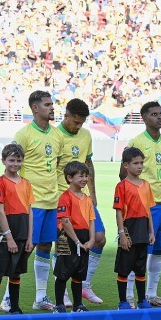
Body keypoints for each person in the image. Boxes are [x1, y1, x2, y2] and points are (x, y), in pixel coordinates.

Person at [51, 98, 105, 307]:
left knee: (98, 238)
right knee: (63, 244)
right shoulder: (55, 135)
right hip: (61, 197)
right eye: (75, 122)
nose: (78, 126)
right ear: (66, 115)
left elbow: (88, 164)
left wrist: (92, 192)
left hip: (83, 198)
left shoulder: (86, 135)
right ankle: (62, 291)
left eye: (81, 123)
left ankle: (85, 284)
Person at [13, 90, 63, 312]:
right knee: (25, 248)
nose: (52, 108)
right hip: (31, 203)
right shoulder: (24, 135)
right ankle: (8, 297)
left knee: (45, 246)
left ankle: (40, 297)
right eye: (47, 104)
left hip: (51, 201)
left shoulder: (57, 135)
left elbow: (56, 164)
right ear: (34, 108)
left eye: (52, 104)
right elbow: (11, 165)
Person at [127, 101, 161, 308]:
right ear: (144, 118)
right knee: (138, 251)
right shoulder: (136, 142)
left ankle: (151, 294)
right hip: (142, 206)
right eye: (154, 114)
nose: (159, 117)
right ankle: (130, 296)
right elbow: (125, 175)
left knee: (158, 250)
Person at [0, 143, 34, 315]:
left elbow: (29, 212)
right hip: (7, 233)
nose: (15, 164)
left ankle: (14, 307)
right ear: (3, 161)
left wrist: (30, 238)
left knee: (16, 273)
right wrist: (9, 238)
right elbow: (0, 212)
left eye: (18, 160)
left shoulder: (26, 183)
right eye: (11, 160)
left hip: (23, 232)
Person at [113, 147, 155, 310]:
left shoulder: (146, 185)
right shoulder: (121, 186)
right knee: (124, 268)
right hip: (129, 229)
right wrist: (122, 233)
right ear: (126, 165)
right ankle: (123, 301)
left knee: (140, 267)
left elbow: (148, 209)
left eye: (141, 163)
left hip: (143, 230)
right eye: (136, 163)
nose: (139, 166)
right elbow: (119, 211)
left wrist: (151, 231)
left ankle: (142, 300)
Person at [54, 161, 95, 313]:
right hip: (68, 238)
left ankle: (78, 305)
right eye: (81, 176)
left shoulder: (87, 199)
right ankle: (59, 305)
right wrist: (77, 242)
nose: (85, 179)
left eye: (86, 176)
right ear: (70, 178)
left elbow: (91, 220)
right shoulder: (65, 197)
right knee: (63, 272)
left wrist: (91, 240)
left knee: (79, 273)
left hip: (84, 238)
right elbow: (65, 221)